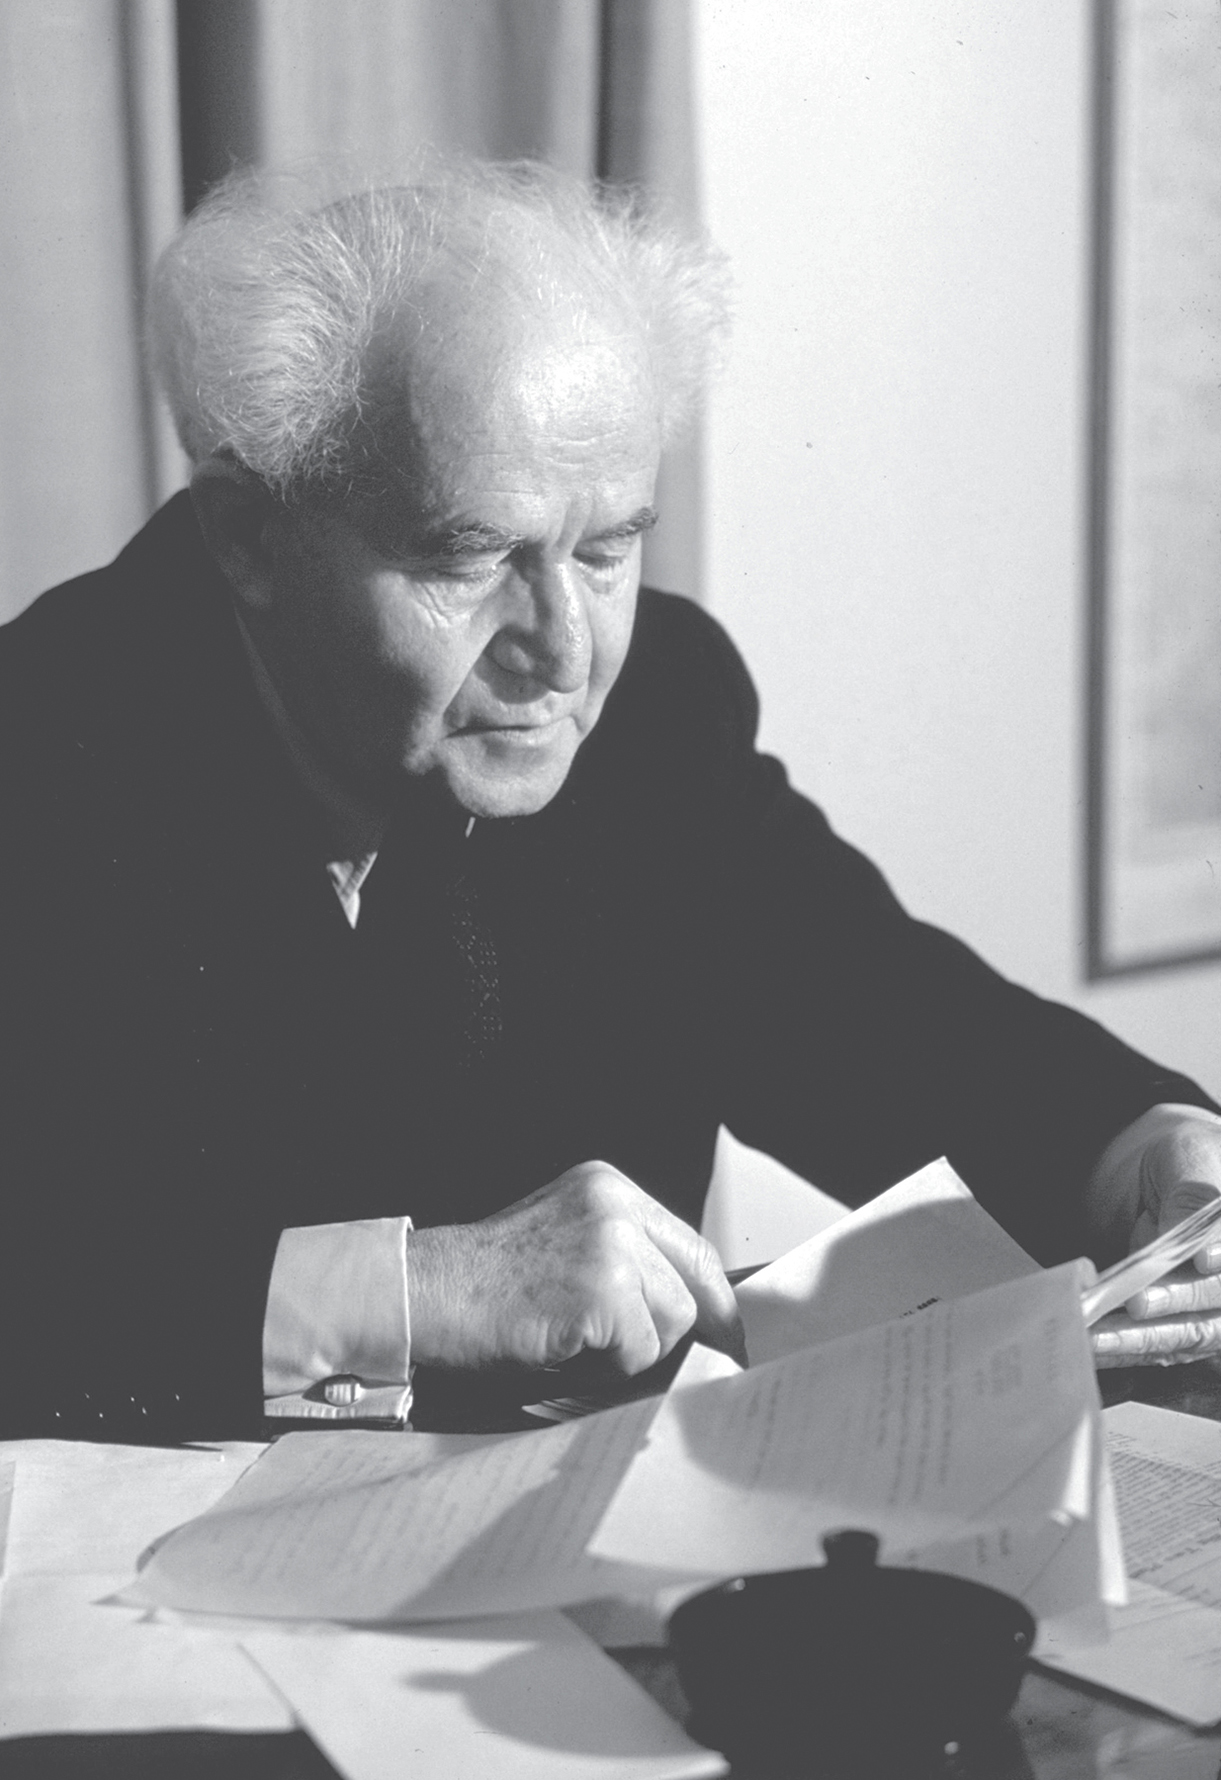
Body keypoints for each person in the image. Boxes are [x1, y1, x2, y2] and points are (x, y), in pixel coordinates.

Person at [2, 157, 1219, 1442]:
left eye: (607, 549)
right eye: (473, 557)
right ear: (249, 535)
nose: (565, 649)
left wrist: (1134, 1145)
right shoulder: (43, 751)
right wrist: (420, 1292)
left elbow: (874, 1009)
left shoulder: (658, 709)